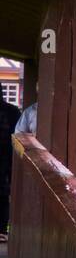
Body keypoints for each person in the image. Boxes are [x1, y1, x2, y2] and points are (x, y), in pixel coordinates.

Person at [0, 98, 21, 243]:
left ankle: (1, 230)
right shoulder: (12, 111)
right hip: (6, 159)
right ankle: (1, 230)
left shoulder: (12, 112)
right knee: (2, 195)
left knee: (2, 195)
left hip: (5, 159)